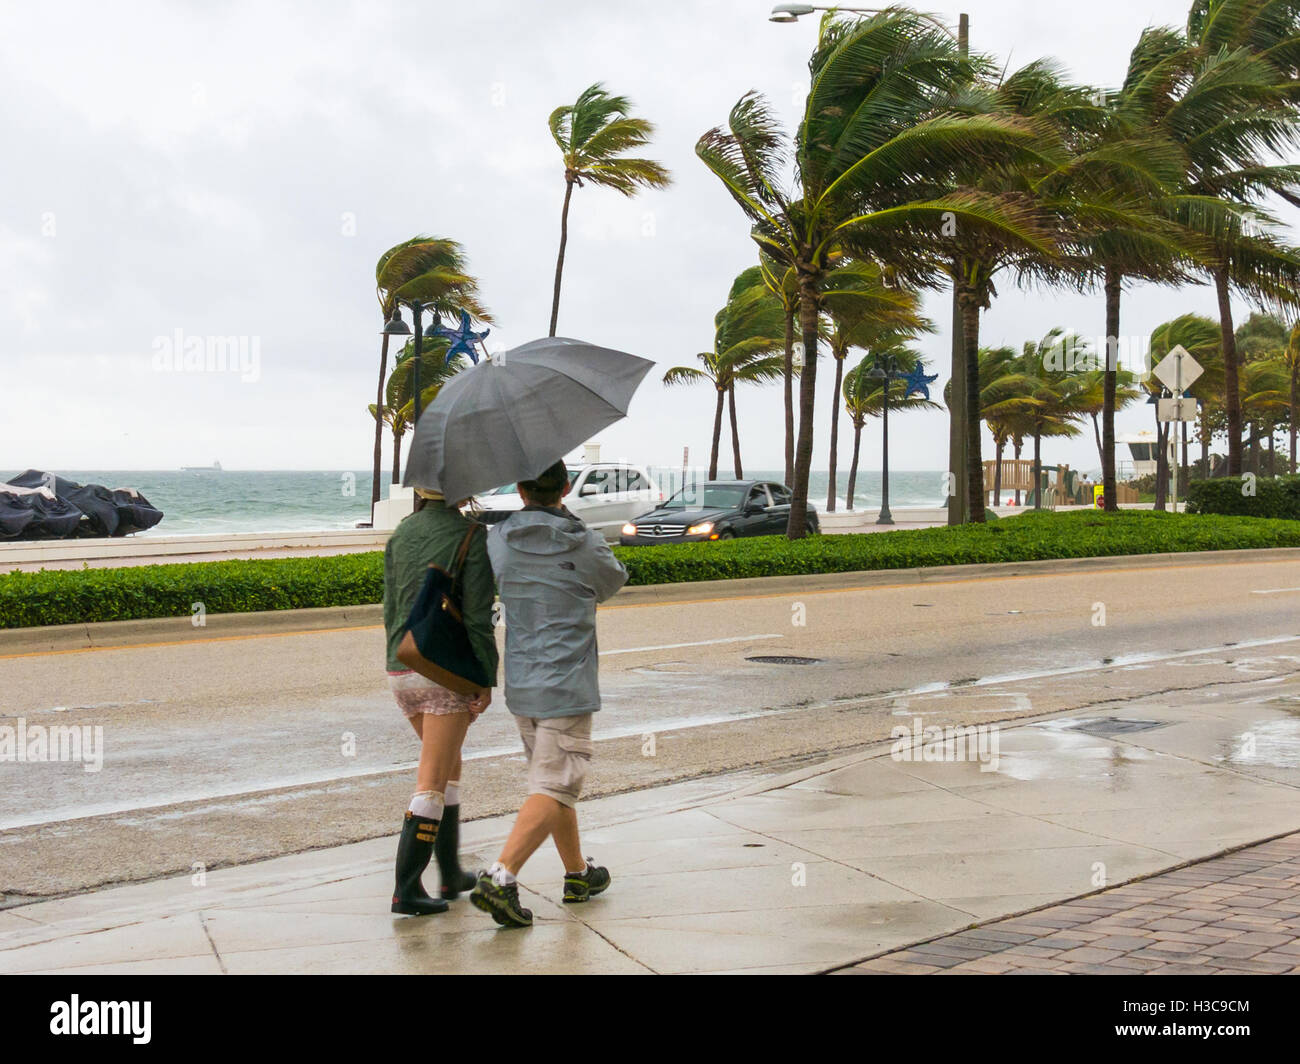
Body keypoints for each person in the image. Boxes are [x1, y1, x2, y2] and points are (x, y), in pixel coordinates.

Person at [471, 460, 627, 928]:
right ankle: (500, 876)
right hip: (568, 682)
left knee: (550, 782)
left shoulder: (497, 538)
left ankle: (578, 873)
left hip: (522, 680)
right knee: (555, 784)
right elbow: (612, 582)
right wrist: (574, 530)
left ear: (519, 489)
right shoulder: (582, 540)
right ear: (565, 487)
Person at [383, 487, 497, 916]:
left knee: (449, 766)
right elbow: (478, 617)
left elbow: (390, 605)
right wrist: (484, 678)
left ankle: (450, 872)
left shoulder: (401, 533)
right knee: (431, 779)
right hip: (442, 672)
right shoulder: (470, 535)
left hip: (401, 665)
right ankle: (406, 889)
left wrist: (399, 660)